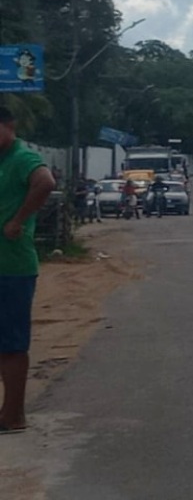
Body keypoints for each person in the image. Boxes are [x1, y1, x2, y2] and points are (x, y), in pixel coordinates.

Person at [0, 106, 56, 434]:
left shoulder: (22, 157)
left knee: (11, 343)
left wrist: (18, 221)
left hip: (12, 268)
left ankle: (14, 415)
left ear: (9, 125)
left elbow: (45, 182)